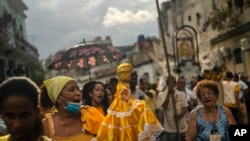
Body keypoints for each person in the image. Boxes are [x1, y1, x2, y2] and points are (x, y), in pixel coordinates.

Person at [93, 63, 163, 141]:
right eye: (129, 75)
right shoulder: (122, 86)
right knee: (130, 118)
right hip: (123, 105)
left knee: (131, 121)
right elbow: (124, 97)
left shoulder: (123, 84)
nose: (130, 77)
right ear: (124, 75)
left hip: (124, 104)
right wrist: (131, 101)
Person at [41, 76, 104, 141]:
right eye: (71, 90)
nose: (78, 93)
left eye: (78, 89)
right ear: (58, 98)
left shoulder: (91, 115)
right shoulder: (45, 126)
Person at [156, 76, 188, 141]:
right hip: (170, 127)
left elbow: (185, 107)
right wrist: (168, 93)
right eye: (170, 83)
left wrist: (179, 115)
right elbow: (163, 107)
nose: (171, 85)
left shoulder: (180, 94)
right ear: (167, 84)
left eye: (173, 83)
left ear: (175, 84)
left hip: (182, 127)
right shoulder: (161, 95)